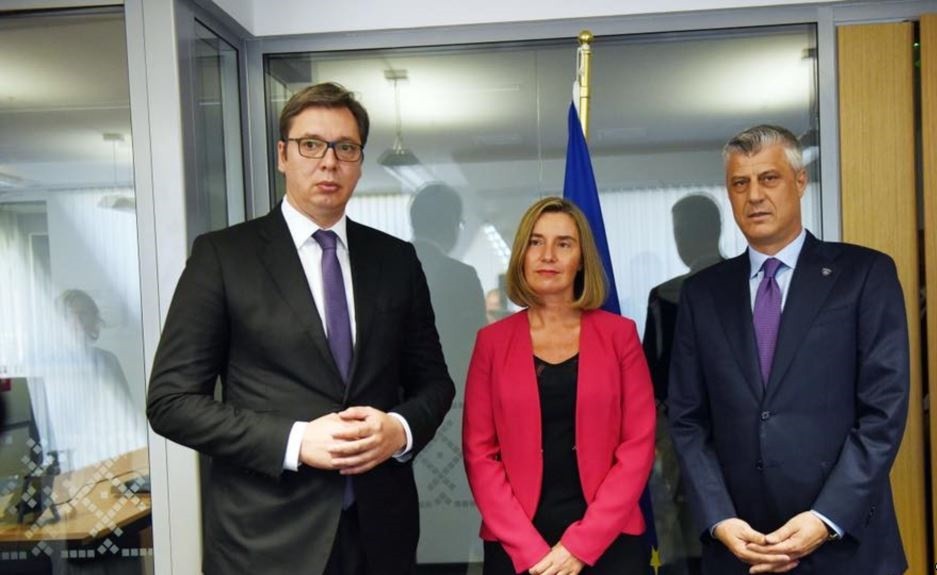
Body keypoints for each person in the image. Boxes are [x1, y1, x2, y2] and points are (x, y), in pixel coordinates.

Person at [146, 82, 455, 575]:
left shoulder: (396, 260)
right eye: (311, 144)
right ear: (282, 155)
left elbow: (434, 384)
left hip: (380, 536)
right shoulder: (223, 257)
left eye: (345, 148)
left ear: (359, 162)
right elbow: (171, 402)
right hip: (264, 542)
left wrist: (398, 430)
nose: (329, 162)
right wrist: (295, 441)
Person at [668, 125, 909, 575]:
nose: (754, 196)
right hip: (740, 548)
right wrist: (719, 518)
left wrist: (827, 518)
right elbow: (687, 419)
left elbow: (884, 410)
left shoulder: (864, 274)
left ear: (800, 182)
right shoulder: (702, 294)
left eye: (769, 178)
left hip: (846, 547)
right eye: (740, 183)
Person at [463, 197, 656, 575]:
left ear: (582, 259)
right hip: (517, 546)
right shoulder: (492, 343)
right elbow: (479, 454)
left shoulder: (620, 336)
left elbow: (638, 445)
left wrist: (580, 546)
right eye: (536, 242)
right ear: (522, 254)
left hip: (610, 542)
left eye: (563, 244)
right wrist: (530, 550)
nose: (547, 255)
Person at [643, 194, 723, 575]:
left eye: (684, 230)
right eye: (677, 231)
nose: (681, 239)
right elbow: (649, 375)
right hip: (687, 434)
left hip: (703, 431)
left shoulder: (743, 285)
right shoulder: (664, 295)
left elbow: (653, 375)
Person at [408, 183, 486, 563]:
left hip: (398, 425)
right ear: (453, 225)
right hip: (450, 424)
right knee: (450, 546)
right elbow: (475, 355)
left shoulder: (386, 267)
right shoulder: (461, 275)